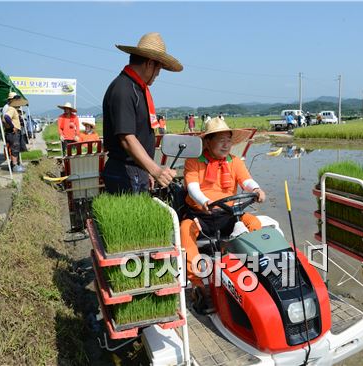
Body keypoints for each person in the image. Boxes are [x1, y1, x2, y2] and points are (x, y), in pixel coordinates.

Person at [180, 117, 266, 290]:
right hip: (201, 216)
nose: (226, 145)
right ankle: (197, 281)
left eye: (229, 141)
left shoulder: (234, 161)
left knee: (254, 223)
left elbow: (246, 180)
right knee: (185, 230)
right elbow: (192, 187)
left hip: (228, 215)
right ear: (208, 142)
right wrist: (204, 201)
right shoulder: (193, 161)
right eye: (221, 141)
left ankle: (254, 268)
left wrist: (256, 189)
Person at [102, 32, 182, 194]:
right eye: (159, 69)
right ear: (150, 63)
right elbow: (127, 138)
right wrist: (155, 170)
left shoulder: (137, 89)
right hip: (124, 171)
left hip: (137, 170)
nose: (158, 75)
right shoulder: (124, 89)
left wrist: (146, 169)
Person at [3, 97, 26, 172]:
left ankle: (15, 164)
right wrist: (13, 127)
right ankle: (15, 165)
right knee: (15, 148)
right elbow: (6, 117)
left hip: (13, 132)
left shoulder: (11, 109)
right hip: (13, 132)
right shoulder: (11, 109)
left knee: (15, 148)